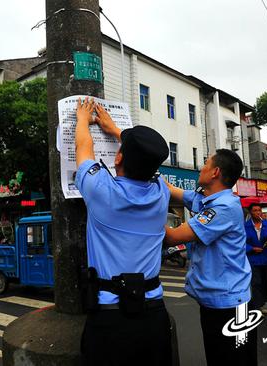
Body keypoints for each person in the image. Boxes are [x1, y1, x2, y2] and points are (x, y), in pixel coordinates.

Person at [75, 97, 172, 366]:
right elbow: (148, 165)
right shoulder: (160, 193)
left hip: (109, 317)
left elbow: (84, 147)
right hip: (154, 315)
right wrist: (116, 130)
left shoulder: (102, 191)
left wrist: (82, 118)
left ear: (118, 156)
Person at [164, 149, 255, 366]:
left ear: (215, 172)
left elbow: (173, 237)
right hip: (216, 303)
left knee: (236, 361)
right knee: (218, 358)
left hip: (232, 304)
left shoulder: (223, 208)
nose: (200, 168)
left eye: (205, 163)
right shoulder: (208, 201)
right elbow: (172, 190)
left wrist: (139, 207)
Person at [245, 203, 267, 315]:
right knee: (256, 283)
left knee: (265, 283)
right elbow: (241, 243)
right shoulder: (245, 226)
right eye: (255, 210)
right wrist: (251, 248)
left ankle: (261, 304)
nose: (257, 212)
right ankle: (256, 307)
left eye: (259, 210)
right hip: (253, 259)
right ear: (250, 212)